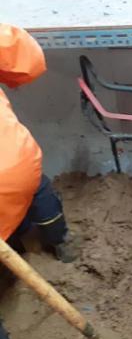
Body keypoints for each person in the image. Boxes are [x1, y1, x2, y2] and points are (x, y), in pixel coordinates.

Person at [0, 23, 77, 262]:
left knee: (10, 209)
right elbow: (28, 62)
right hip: (14, 163)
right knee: (35, 192)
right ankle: (60, 243)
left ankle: (21, 252)